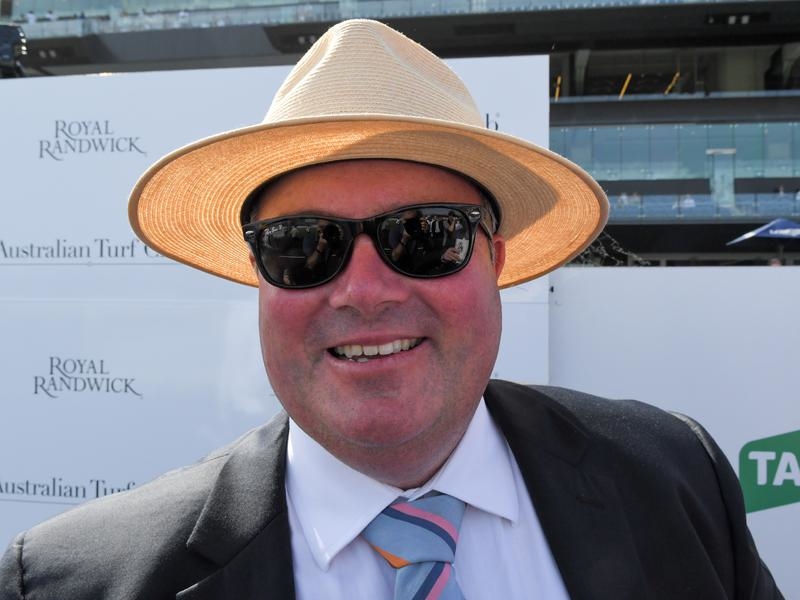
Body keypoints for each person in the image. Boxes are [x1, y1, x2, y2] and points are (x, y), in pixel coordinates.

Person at [0, 19, 783, 600]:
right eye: (304, 246)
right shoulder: (73, 582)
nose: (365, 290)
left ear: (496, 261)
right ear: (260, 279)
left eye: (426, 236)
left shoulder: (676, 480)